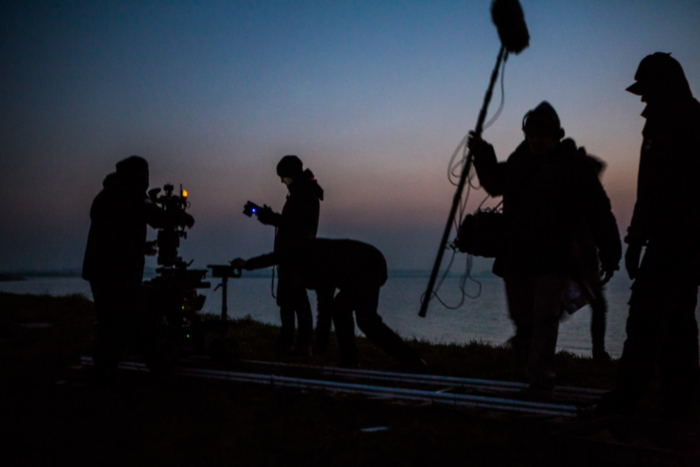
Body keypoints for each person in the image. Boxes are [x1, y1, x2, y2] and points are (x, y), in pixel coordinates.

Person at [467, 102, 621, 398]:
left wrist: (611, 250)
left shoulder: (575, 167)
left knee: (545, 319)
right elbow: (494, 182)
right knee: (523, 321)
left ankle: (540, 381)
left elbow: (599, 210)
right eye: (531, 135)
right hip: (517, 257)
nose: (536, 140)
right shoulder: (519, 161)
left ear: (557, 135)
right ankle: (531, 370)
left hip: (553, 258)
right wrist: (482, 152)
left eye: (543, 135)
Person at [596, 53, 700, 420]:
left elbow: (657, 192)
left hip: (678, 243)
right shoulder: (673, 120)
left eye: (646, 90)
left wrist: (638, 241)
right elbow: (649, 192)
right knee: (678, 327)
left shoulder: (677, 123)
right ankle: (680, 404)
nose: (641, 99)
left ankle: (628, 402)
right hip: (676, 243)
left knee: (646, 322)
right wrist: (636, 241)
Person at [233, 238, 426, 369]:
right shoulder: (299, 259)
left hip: (369, 265)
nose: (297, 288)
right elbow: (274, 257)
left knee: (367, 321)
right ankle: (349, 361)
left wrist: (318, 353)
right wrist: (247, 264)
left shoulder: (316, 266)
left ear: (294, 273)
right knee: (341, 309)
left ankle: (414, 362)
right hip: (363, 264)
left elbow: (323, 312)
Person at [82, 156, 194, 377]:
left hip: (100, 271)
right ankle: (126, 371)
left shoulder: (106, 196)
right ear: (138, 176)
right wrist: (181, 217)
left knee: (109, 324)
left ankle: (104, 372)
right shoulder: (130, 193)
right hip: (116, 274)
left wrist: (140, 247)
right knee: (127, 323)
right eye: (145, 175)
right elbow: (156, 218)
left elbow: (114, 233)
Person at [253, 155, 324, 358]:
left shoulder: (303, 194)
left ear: (292, 175)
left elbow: (293, 225)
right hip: (293, 254)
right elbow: (291, 222)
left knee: (297, 302)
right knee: (289, 301)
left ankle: (300, 346)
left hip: (296, 255)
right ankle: (292, 343)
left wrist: (271, 219)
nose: (282, 182)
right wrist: (273, 218)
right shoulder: (302, 192)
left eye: (283, 178)